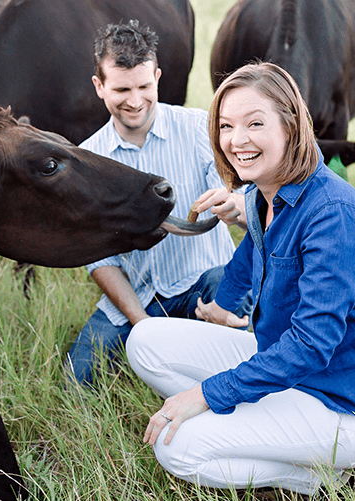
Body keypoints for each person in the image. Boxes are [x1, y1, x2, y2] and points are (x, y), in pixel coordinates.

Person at [127, 61, 355, 496]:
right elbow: (253, 249)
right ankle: (258, 428)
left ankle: (325, 478)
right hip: (288, 367)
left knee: (179, 449)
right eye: (226, 125)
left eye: (255, 123)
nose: (236, 139)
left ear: (290, 124)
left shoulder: (332, 212)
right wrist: (224, 306)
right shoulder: (263, 191)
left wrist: (206, 394)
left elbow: (313, 343)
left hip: (351, 404)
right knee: (145, 340)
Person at [65, 20, 252, 386]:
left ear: (158, 78)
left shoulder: (200, 127)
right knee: (77, 379)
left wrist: (236, 207)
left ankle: (232, 371)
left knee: (231, 289)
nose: (135, 101)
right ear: (99, 86)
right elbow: (100, 261)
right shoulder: (88, 158)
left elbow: (249, 213)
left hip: (205, 283)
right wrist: (145, 327)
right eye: (121, 89)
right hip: (140, 299)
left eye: (144, 86)